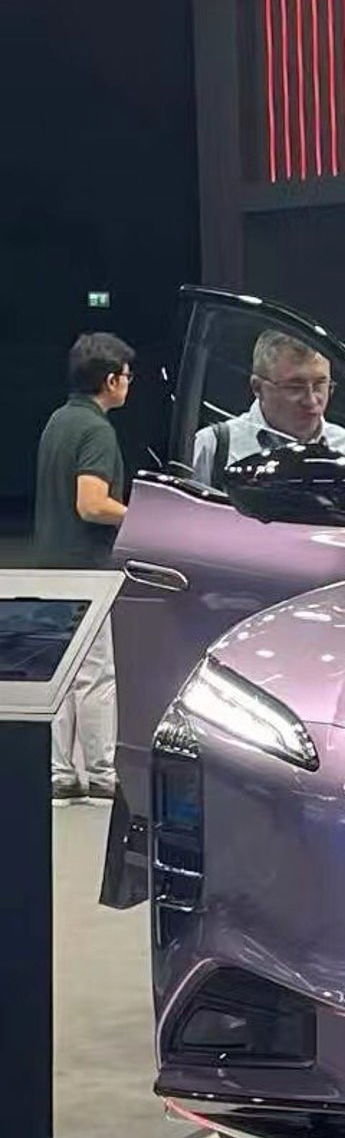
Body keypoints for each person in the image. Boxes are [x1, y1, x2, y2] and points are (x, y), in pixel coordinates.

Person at [33, 332, 132, 803]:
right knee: (95, 676)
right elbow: (91, 504)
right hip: (86, 571)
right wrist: (139, 517)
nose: (129, 383)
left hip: (50, 565)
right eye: (127, 376)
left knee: (61, 674)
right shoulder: (97, 430)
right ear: (111, 380)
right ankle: (101, 773)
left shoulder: (57, 420)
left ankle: (61, 771)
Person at [191, 329, 345, 492]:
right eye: (295, 387)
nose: (311, 400)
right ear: (257, 387)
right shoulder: (213, 447)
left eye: (320, 384)